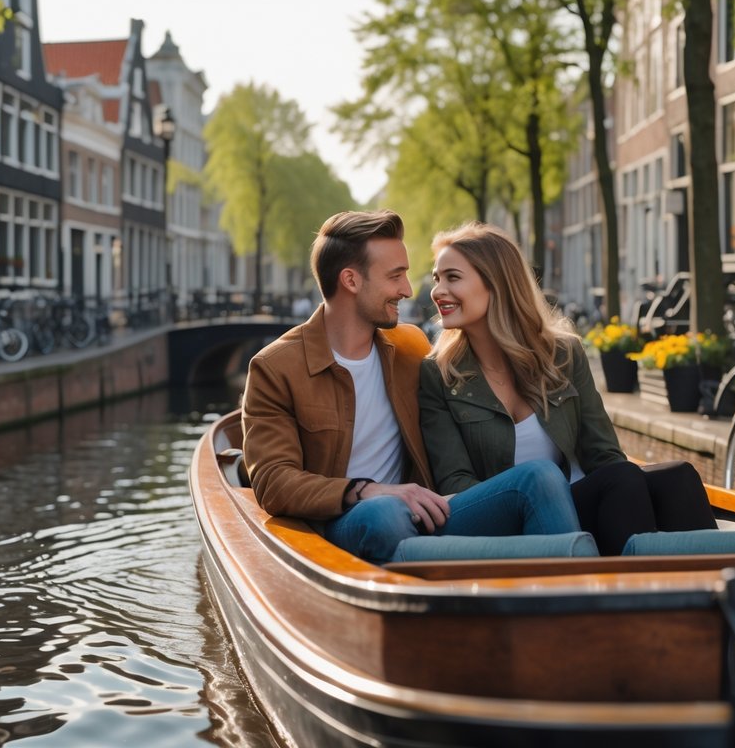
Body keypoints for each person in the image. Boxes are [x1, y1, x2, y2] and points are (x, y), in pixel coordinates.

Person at [241, 210, 581, 564]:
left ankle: (575, 595)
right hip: (343, 525)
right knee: (384, 513)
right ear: (351, 280)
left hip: (428, 513)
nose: (407, 290)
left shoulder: (412, 347)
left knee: (540, 477)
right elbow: (272, 481)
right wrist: (366, 491)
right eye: (395, 276)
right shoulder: (275, 367)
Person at [419, 222, 717, 556]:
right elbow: (456, 482)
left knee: (677, 477)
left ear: (497, 284)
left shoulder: (563, 354)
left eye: (452, 277)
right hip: (511, 514)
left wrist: (631, 498)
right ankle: (629, 596)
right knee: (622, 481)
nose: (438, 290)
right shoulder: (438, 375)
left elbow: (603, 452)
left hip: (580, 500)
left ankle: (718, 593)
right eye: (437, 278)